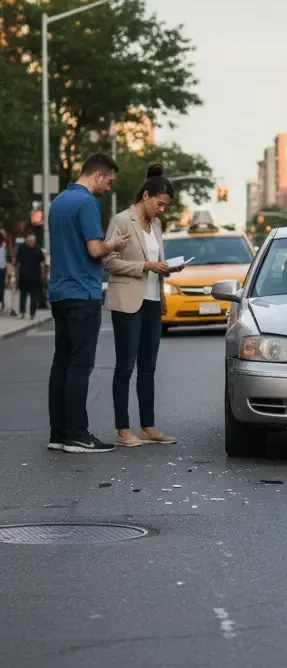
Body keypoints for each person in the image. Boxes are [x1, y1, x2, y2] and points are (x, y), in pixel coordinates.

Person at [48, 153, 129, 453]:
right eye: (108, 181)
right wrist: (115, 244)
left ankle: (57, 434)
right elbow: (95, 249)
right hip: (83, 293)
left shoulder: (58, 202)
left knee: (62, 363)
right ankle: (78, 434)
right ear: (97, 175)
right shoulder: (86, 203)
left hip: (59, 293)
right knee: (80, 365)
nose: (108, 187)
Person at [104, 164, 183, 446]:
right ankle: (123, 429)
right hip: (127, 300)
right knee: (125, 365)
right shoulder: (122, 221)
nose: (162, 209)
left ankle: (148, 426)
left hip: (152, 300)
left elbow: (153, 261)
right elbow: (109, 261)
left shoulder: (157, 225)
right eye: (160, 204)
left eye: (165, 206)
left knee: (148, 366)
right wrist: (146, 265)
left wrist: (166, 268)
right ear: (146, 196)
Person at [15, 233, 46, 320]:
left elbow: (42, 263)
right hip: (26, 276)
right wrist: (17, 275)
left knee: (30, 295)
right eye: (30, 240)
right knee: (27, 295)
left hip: (32, 276)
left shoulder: (36, 249)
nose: (31, 242)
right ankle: (25, 312)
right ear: (27, 241)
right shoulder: (25, 249)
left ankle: (28, 313)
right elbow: (18, 264)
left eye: (32, 240)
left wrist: (43, 275)